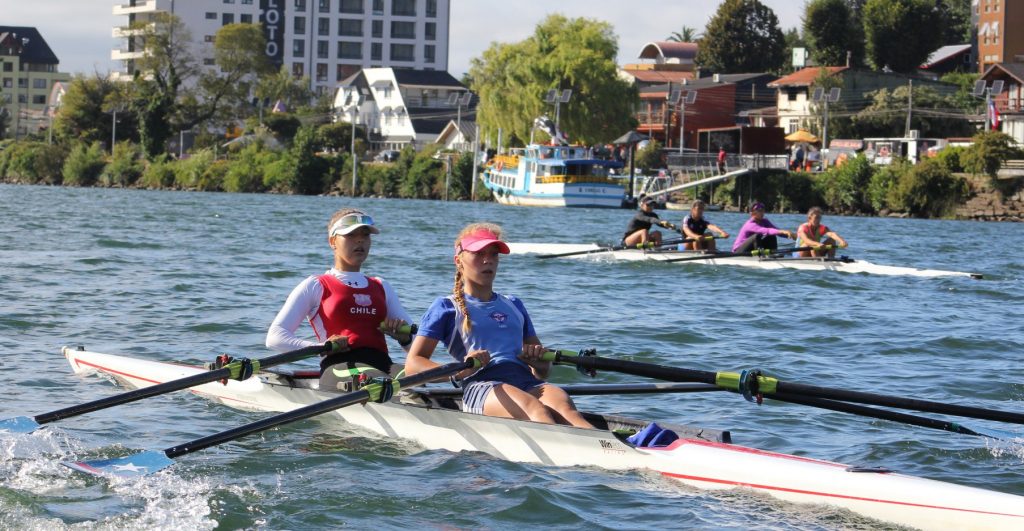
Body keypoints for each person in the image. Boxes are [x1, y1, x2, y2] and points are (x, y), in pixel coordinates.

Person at [404, 223, 593, 428]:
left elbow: (542, 372)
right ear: (458, 261)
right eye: (479, 254)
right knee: (537, 410)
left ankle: (611, 450)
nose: (488, 260)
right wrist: (459, 372)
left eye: (494, 254)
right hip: (482, 386)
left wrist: (539, 363)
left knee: (565, 409)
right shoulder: (446, 307)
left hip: (527, 382)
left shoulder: (514, 304)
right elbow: (413, 366)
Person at [266, 208, 414, 393]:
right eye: (351, 235)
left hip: (384, 366)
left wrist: (405, 339)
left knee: (417, 376)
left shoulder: (381, 286)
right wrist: (322, 346)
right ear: (332, 241)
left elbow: (419, 348)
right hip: (339, 367)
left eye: (365, 235)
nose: (360, 240)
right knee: (382, 383)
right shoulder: (316, 285)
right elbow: (275, 337)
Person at [731, 202, 796, 254]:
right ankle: (761, 256)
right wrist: (783, 231)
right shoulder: (750, 224)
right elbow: (767, 231)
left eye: (763, 210)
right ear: (752, 213)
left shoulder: (765, 221)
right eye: (759, 211)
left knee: (772, 236)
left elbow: (776, 231)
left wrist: (794, 236)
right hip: (739, 251)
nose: (762, 212)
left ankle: (772, 254)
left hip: (751, 249)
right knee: (756, 236)